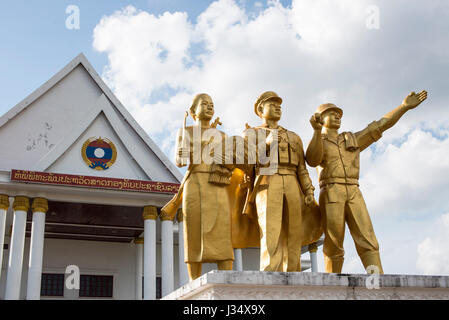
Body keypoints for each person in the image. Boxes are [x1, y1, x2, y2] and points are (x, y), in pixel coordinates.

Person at [306, 90, 428, 274]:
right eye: (332, 114)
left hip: (354, 190)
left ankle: (376, 280)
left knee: (367, 238)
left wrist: (403, 107)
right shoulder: (318, 140)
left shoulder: (351, 139)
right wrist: (316, 132)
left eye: (339, 114)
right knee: (334, 241)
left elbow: (380, 125)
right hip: (331, 191)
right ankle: (333, 284)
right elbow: (312, 160)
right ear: (320, 119)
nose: (337, 117)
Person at [241, 91, 319, 272]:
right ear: (260, 109)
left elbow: (302, 168)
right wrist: (265, 145)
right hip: (267, 181)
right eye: (272, 104)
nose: (277, 108)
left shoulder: (294, 136)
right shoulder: (252, 133)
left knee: (294, 231)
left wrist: (308, 190)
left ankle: (293, 271)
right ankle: (270, 271)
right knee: (271, 230)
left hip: (292, 181)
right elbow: (245, 162)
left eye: (279, 105)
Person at [173, 93, 234, 280]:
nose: (209, 107)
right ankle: (193, 280)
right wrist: (187, 150)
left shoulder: (222, 135)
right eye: (204, 104)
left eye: (212, 104)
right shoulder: (187, 132)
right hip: (196, 182)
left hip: (217, 183)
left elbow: (231, 161)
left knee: (223, 229)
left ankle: (227, 277)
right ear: (193, 111)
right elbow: (179, 161)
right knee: (193, 230)